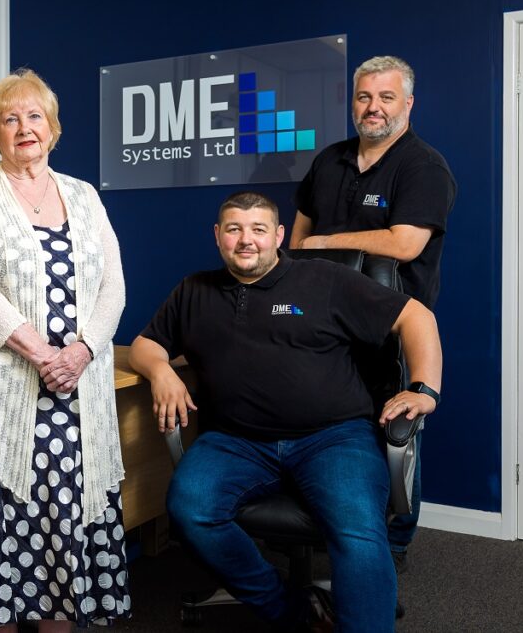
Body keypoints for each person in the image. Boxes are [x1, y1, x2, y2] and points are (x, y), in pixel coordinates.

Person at [129, 191, 443, 633]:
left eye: (258, 229)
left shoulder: (324, 280)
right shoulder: (194, 289)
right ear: (218, 236)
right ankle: (292, 610)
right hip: (236, 440)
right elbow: (145, 345)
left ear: (279, 236)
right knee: (189, 506)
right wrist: (160, 370)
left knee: (357, 527)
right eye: (234, 229)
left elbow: (415, 317)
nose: (246, 240)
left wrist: (424, 389)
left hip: (332, 437)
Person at [0, 69, 130, 631]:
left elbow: (114, 283)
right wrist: (42, 353)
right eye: (9, 119)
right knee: (2, 517)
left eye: (34, 116)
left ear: (54, 129)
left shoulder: (83, 195)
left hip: (74, 390)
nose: (23, 127)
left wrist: (81, 352)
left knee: (62, 514)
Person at [290, 55, 456, 569]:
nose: (374, 107)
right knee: (330, 425)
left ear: (407, 103)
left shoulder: (423, 166)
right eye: (364, 97)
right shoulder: (329, 160)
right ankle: (332, 527)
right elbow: (297, 241)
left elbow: (405, 243)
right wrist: (313, 249)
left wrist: (325, 242)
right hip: (320, 323)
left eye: (386, 97)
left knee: (396, 428)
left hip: (393, 326)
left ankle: (396, 543)